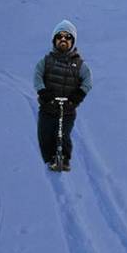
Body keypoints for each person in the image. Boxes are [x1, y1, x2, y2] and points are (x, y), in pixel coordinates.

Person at [33, 20, 93, 172]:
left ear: (72, 42)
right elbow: (37, 75)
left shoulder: (79, 64)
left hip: (67, 108)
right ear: (55, 40)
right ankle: (48, 159)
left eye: (68, 38)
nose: (63, 41)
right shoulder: (47, 61)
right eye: (60, 37)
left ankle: (64, 159)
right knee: (45, 133)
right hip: (48, 106)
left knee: (63, 134)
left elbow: (87, 80)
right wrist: (43, 92)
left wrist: (77, 96)